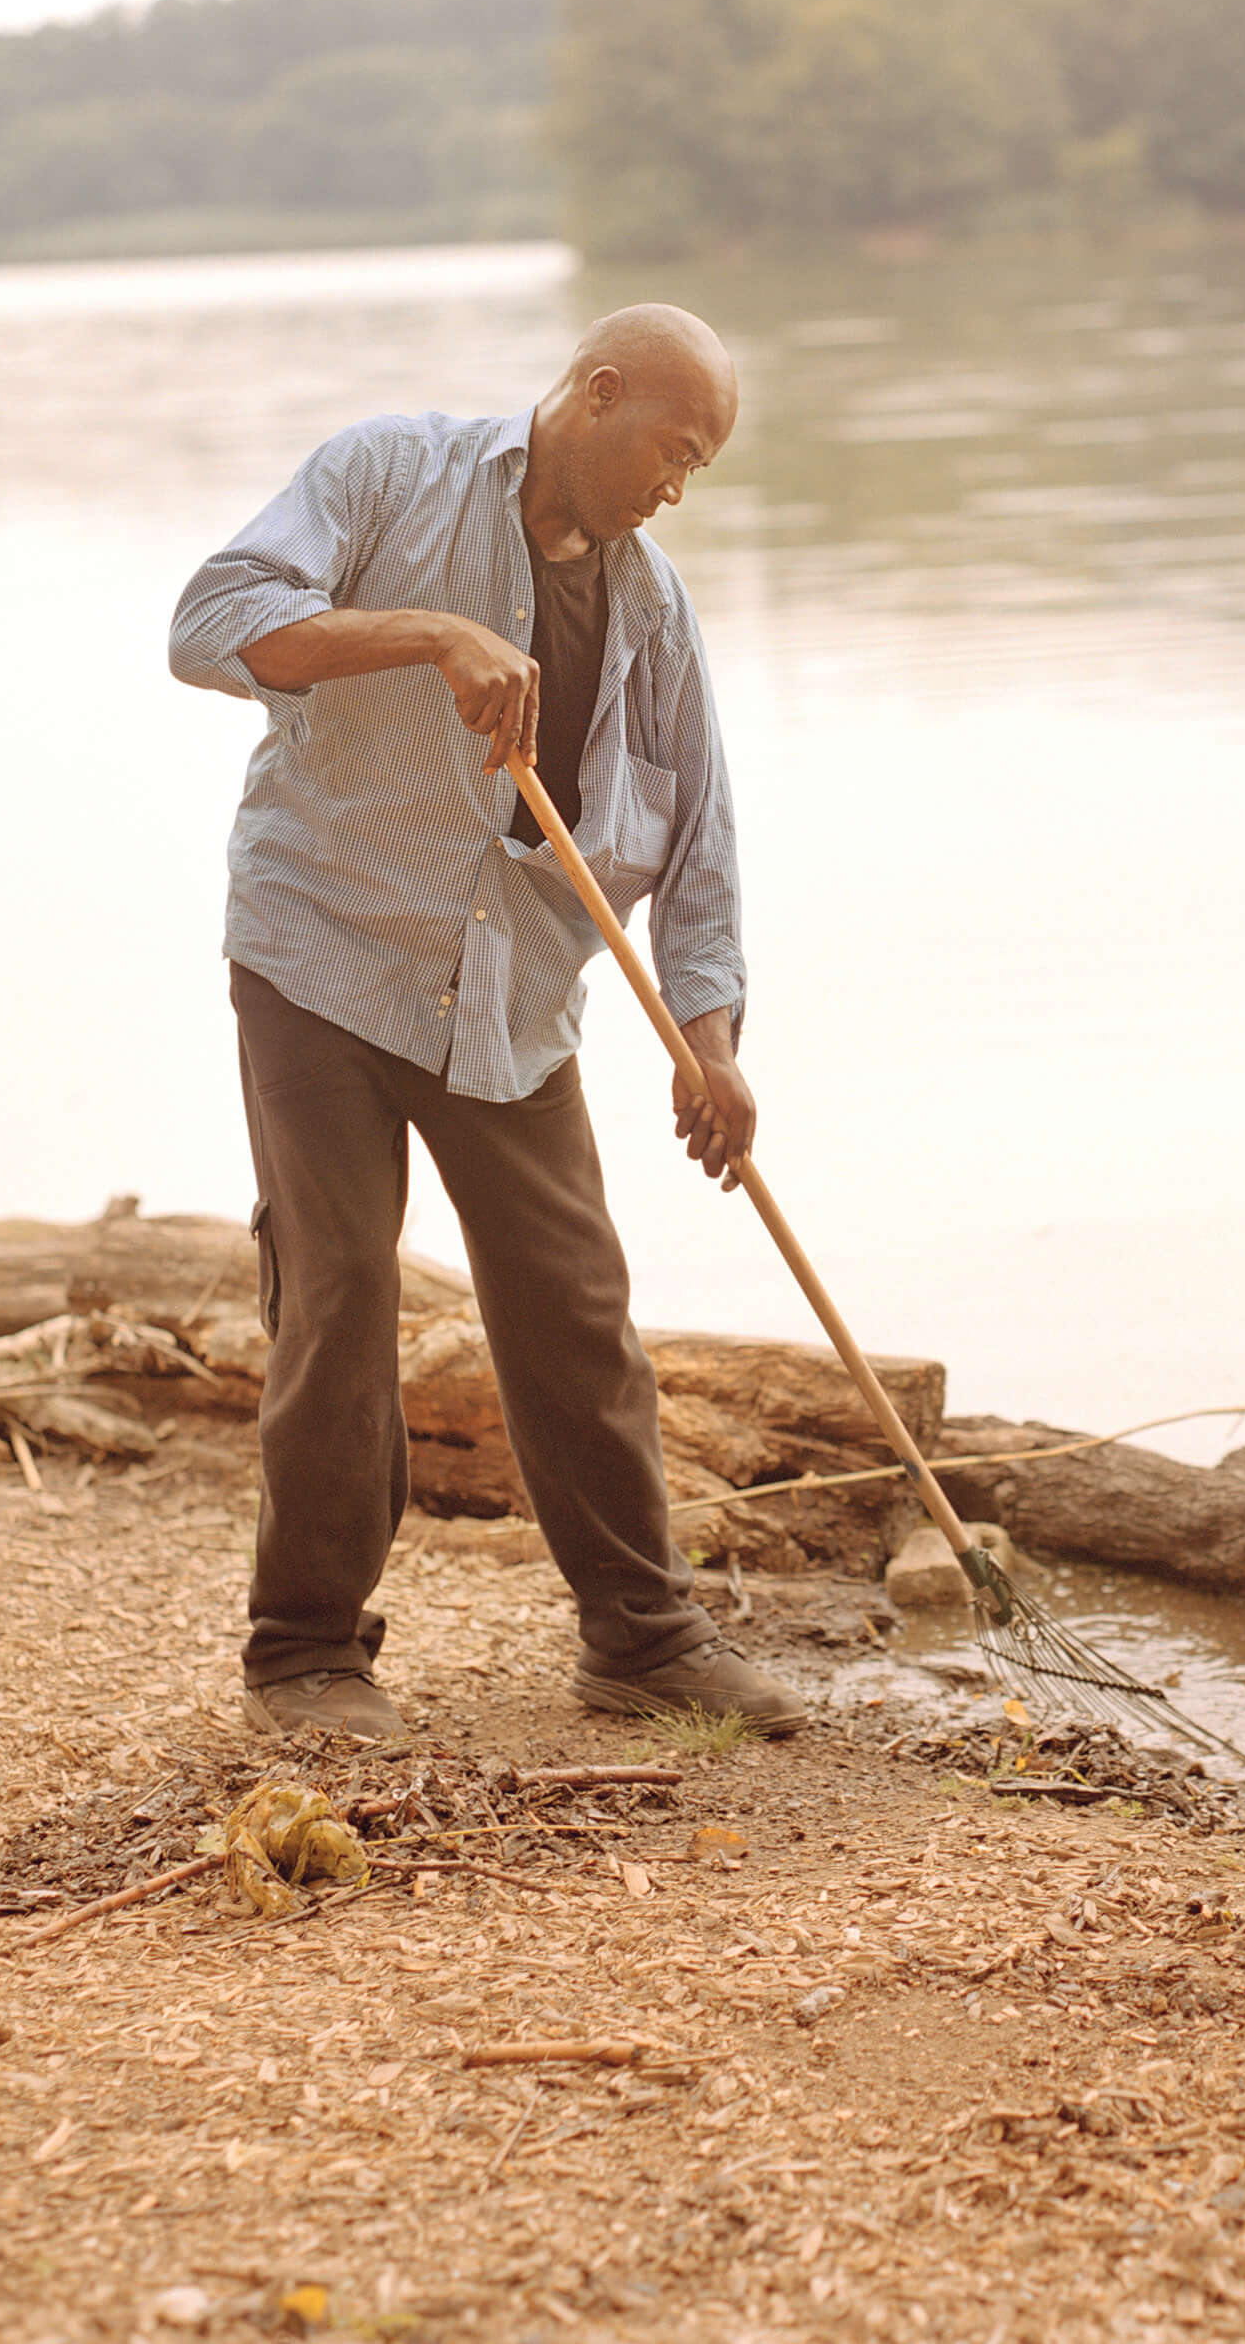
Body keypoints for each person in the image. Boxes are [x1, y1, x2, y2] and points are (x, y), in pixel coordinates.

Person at [165, 303, 804, 1746]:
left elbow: (700, 840)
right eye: (672, 449)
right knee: (341, 1294)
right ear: (595, 392)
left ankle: (643, 1639)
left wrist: (712, 1046)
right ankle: (308, 1654)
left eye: (701, 468)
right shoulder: (391, 471)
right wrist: (429, 636)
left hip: (510, 992)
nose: (677, 487)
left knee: (574, 1304)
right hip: (321, 950)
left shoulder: (653, 610)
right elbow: (208, 624)